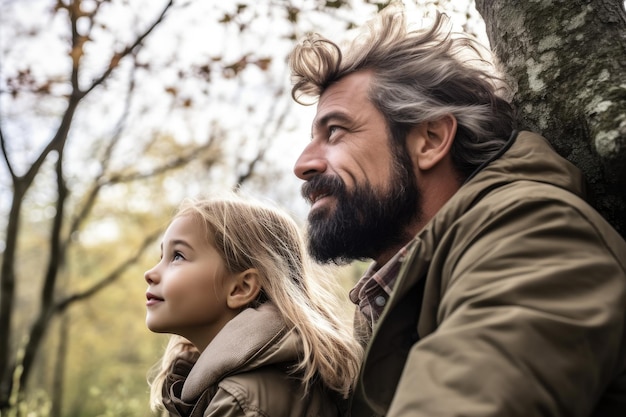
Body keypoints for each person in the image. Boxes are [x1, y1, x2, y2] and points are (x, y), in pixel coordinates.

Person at [288, 3, 626, 417]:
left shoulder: (530, 233)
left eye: (335, 131)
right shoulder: (388, 293)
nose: (303, 165)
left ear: (430, 140)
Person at [144, 193, 363, 416]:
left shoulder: (241, 403)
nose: (150, 274)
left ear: (242, 288)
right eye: (162, 256)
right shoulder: (244, 386)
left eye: (178, 256)